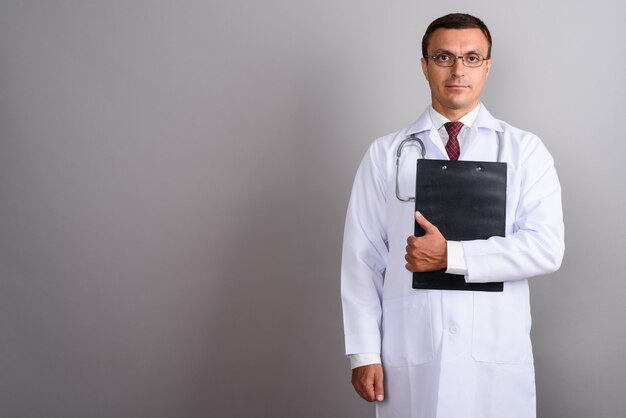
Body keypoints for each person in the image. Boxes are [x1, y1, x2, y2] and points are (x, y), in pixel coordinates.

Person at [340, 13, 564, 418]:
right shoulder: (386, 154)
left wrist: (452, 257)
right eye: (443, 57)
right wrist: (363, 353)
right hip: (410, 353)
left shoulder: (525, 151)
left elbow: (546, 248)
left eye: (472, 58)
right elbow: (363, 258)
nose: (458, 70)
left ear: (488, 67)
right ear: (424, 66)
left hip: (495, 355)